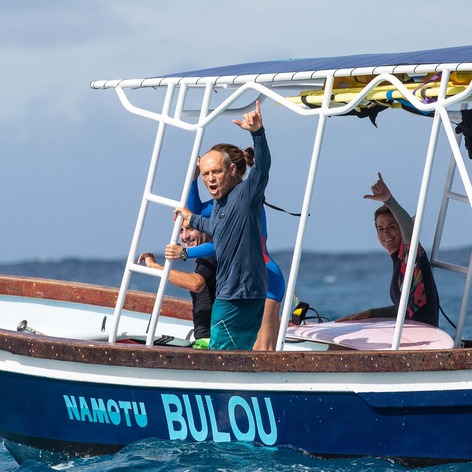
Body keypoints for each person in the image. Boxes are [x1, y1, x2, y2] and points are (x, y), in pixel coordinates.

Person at [173, 100, 270, 350]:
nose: (210, 179)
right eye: (206, 174)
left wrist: (257, 133)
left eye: (215, 172)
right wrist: (190, 218)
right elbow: (216, 228)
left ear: (233, 170)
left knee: (221, 355)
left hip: (237, 295)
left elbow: (263, 168)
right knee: (238, 354)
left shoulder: (246, 194)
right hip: (244, 292)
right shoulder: (218, 203)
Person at [337, 172, 439, 327]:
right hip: (413, 334)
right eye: (380, 228)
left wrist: (389, 201)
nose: (385, 233)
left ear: (401, 228)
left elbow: (409, 231)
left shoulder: (411, 256)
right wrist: (370, 313)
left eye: (392, 226)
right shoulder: (398, 260)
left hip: (423, 339)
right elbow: (408, 310)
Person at [138, 225, 216, 348]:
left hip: (210, 342)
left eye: (191, 229)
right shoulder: (207, 256)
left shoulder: (211, 254)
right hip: (206, 339)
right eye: (181, 230)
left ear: (205, 231)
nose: (185, 236)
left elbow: (196, 283)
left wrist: (155, 266)